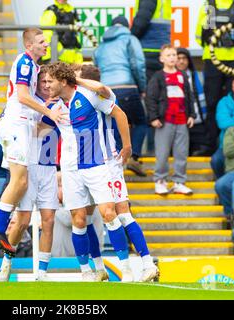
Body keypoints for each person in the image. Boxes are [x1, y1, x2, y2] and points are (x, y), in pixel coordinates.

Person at [40, 62, 134, 282]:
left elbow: (112, 104)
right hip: (71, 169)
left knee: (109, 213)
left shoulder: (88, 95)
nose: (46, 85)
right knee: (79, 220)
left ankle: (126, 269)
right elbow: (40, 131)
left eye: (50, 81)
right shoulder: (56, 107)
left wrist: (127, 146)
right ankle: (87, 271)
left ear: (63, 81)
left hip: (96, 162)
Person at [78, 64, 159, 282]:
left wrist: (128, 146)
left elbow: (117, 110)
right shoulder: (77, 98)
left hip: (107, 162)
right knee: (85, 216)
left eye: (76, 76)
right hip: (86, 164)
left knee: (121, 212)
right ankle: (102, 267)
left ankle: (145, 264)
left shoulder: (98, 93)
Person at [0, 28, 64, 255]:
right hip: (16, 126)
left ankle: (1, 230)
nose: (46, 44)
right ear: (29, 45)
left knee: (21, 182)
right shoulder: (25, 63)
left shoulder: (34, 66)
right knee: (19, 181)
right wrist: (49, 112)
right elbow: (21, 96)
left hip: (19, 126)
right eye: (41, 41)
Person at [0, 65, 60, 282]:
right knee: (22, 220)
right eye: (42, 81)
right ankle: (7, 260)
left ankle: (42, 272)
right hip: (28, 166)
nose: (45, 85)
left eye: (49, 81)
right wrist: (45, 119)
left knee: (49, 220)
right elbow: (34, 128)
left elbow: (51, 129)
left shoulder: (58, 103)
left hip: (49, 165)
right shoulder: (26, 103)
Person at [93, 15, 148, 176]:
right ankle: (134, 156)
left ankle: (116, 163)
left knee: (114, 124)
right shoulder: (130, 39)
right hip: (127, 86)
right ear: (126, 26)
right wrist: (142, 87)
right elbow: (138, 64)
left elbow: (97, 71)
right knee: (140, 122)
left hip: (106, 90)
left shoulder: (101, 46)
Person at [146, 45, 196, 195]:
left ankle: (179, 182)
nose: (172, 58)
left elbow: (189, 96)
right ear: (162, 59)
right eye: (168, 55)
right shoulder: (158, 76)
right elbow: (151, 98)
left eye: (174, 54)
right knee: (162, 153)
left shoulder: (183, 75)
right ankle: (160, 181)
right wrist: (153, 117)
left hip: (182, 121)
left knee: (181, 153)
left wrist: (191, 115)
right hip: (165, 121)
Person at [196, 0, 234, 154]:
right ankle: (221, 143)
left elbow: (199, 36)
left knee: (216, 103)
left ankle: (212, 145)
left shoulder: (208, 4)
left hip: (215, 59)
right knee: (228, 102)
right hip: (233, 59)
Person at [51, 171, 104, 258]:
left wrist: (54, 206)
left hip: (84, 255)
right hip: (64, 256)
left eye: (58, 186)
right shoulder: (63, 205)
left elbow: (69, 220)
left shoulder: (85, 200)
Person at [176, 47, 212, 156]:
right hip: (177, 121)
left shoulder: (198, 76)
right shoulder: (166, 76)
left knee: (201, 150)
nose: (181, 61)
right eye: (178, 58)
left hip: (197, 119)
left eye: (184, 58)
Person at [131, 0, 171, 81]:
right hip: (159, 50)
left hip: (148, 50)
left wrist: (130, 38)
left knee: (150, 89)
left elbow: (140, 23)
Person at [40, 0, 83, 64]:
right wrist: (50, 57)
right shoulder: (50, 12)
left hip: (72, 60)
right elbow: (47, 35)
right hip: (55, 58)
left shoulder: (72, 11)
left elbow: (74, 36)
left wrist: (78, 59)